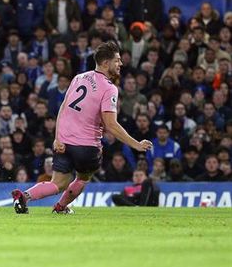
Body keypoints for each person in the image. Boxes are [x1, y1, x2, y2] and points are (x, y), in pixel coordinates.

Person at [12, 41, 153, 214]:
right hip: (87, 147)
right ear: (105, 63)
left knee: (57, 183)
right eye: (117, 60)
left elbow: (63, 108)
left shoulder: (79, 78)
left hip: (64, 142)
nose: (121, 64)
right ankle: (61, 207)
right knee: (83, 178)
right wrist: (136, 144)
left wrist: (57, 137)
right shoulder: (110, 89)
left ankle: (24, 197)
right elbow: (111, 124)